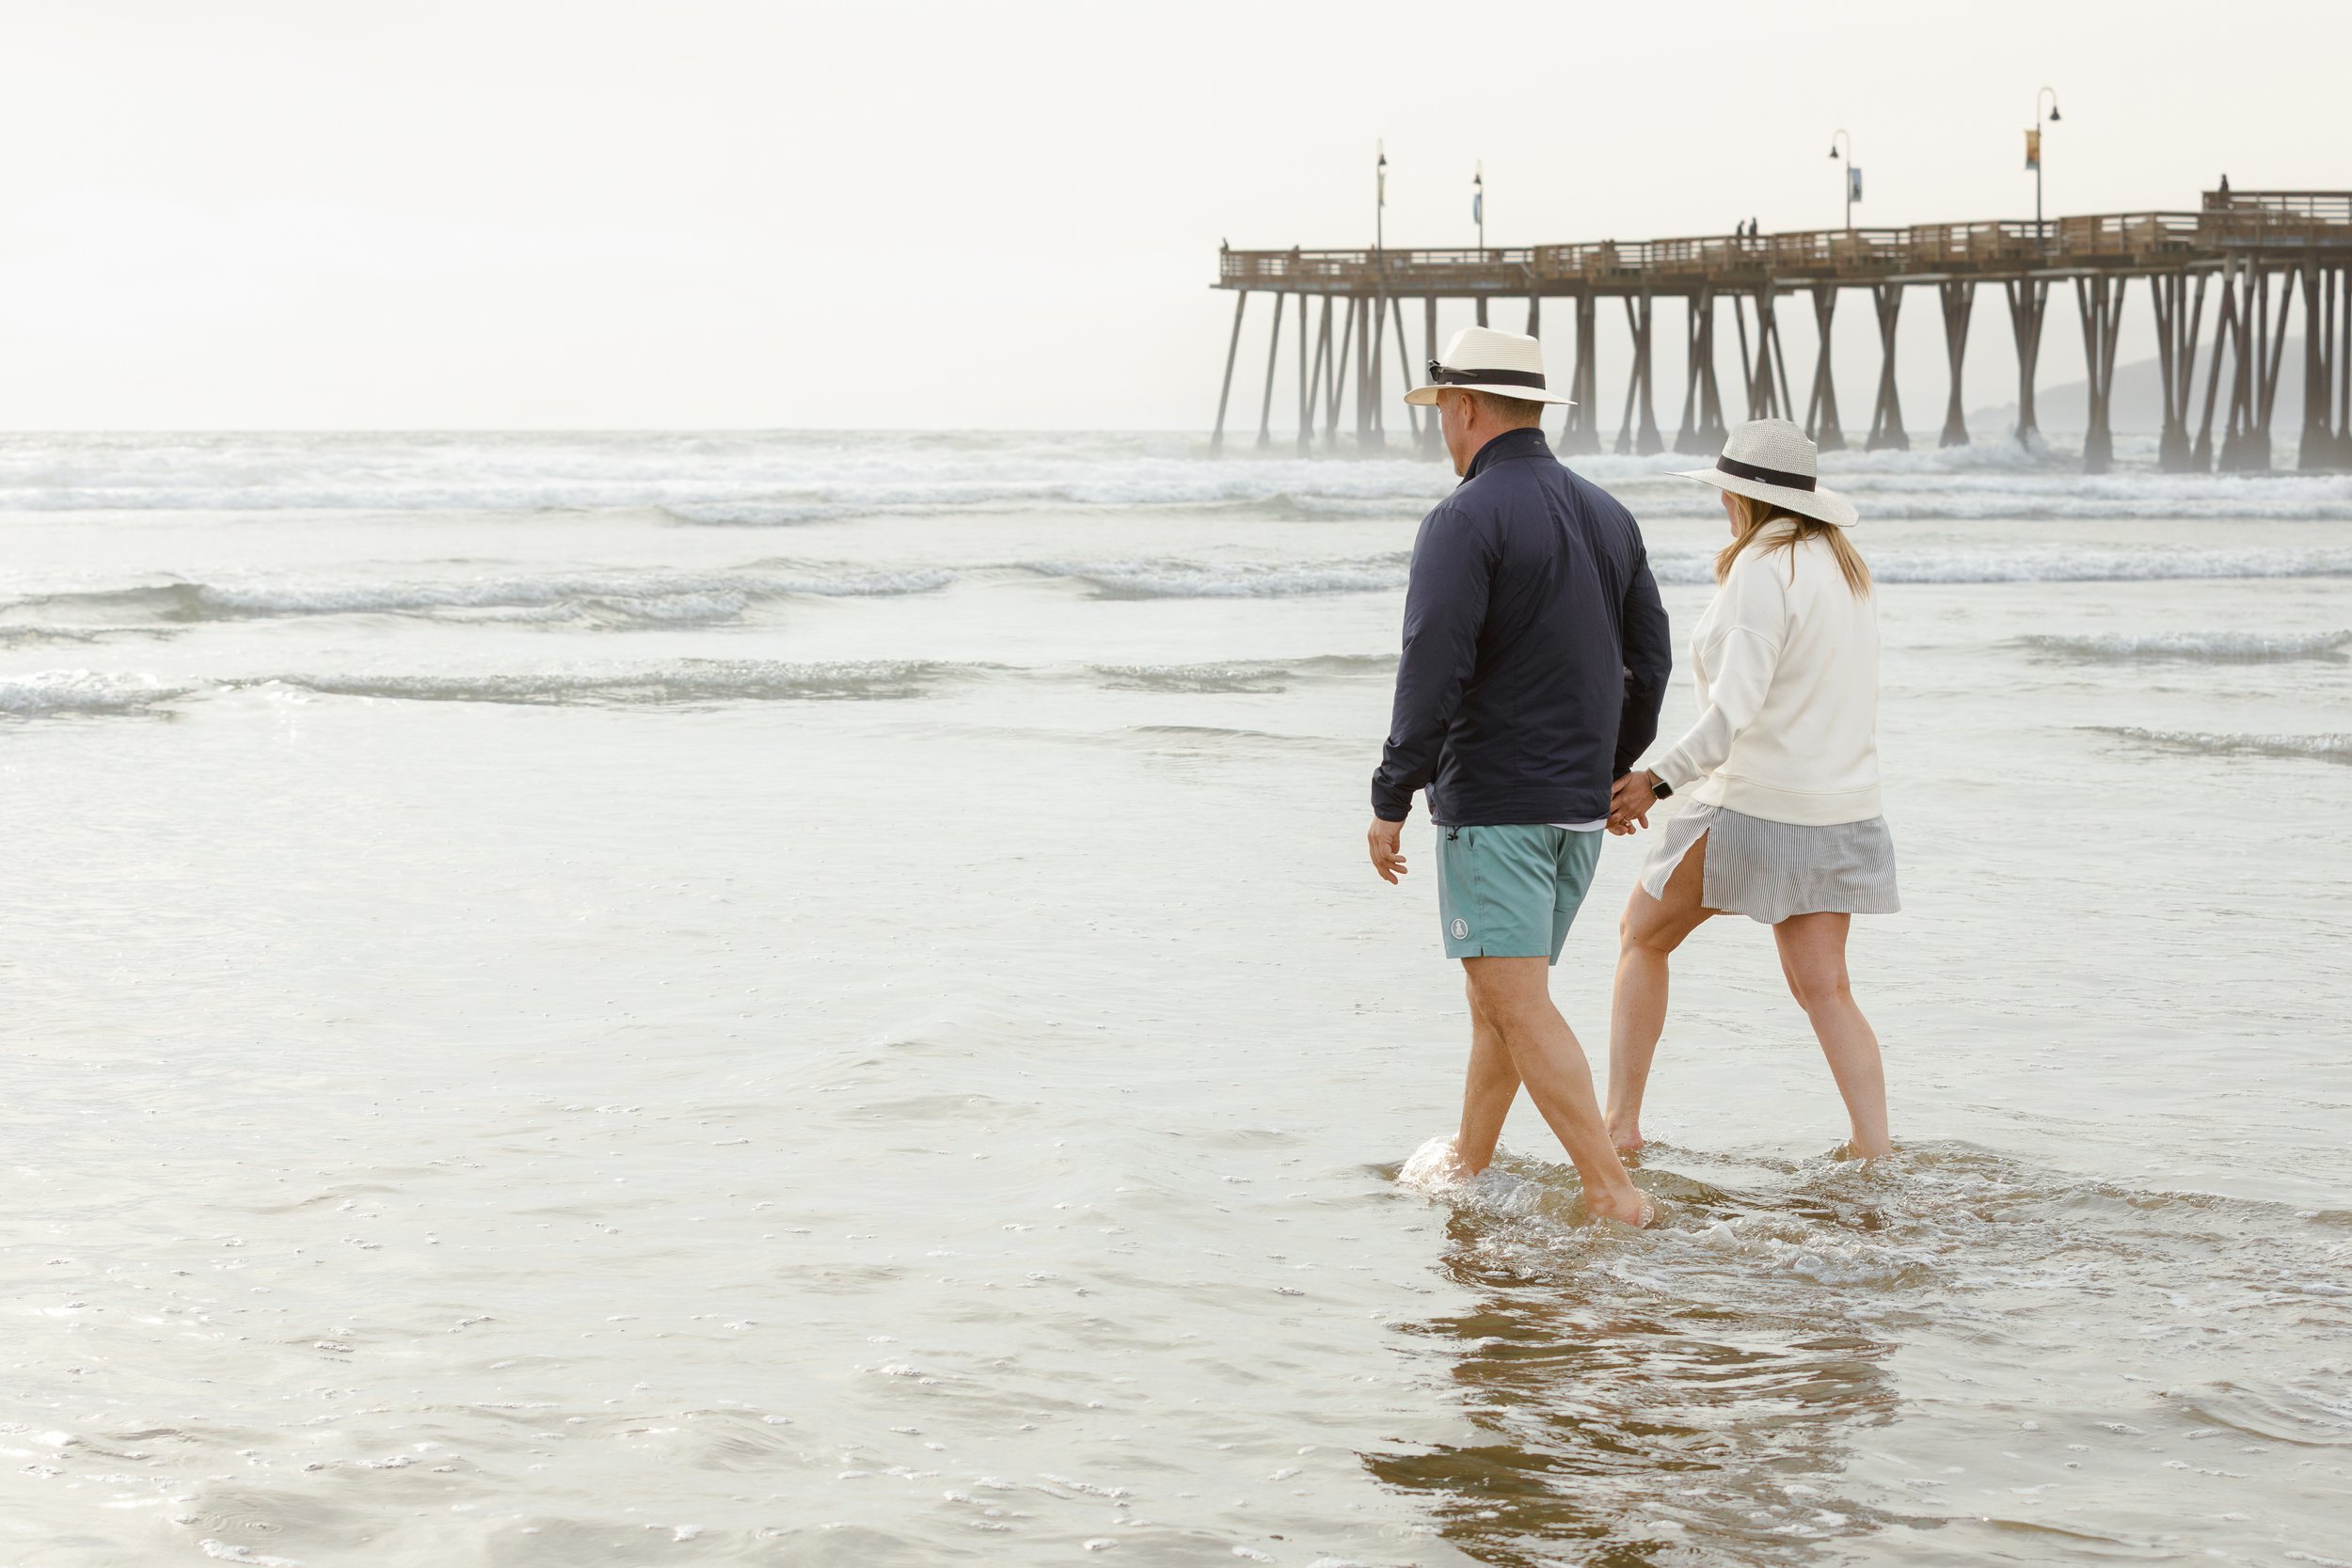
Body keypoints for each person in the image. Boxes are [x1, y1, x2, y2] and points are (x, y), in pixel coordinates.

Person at [1367, 325, 1672, 1226]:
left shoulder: (1464, 518)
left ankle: (1612, 1192)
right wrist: (1615, 771)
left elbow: (1433, 663)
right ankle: (1470, 1159)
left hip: (1495, 806)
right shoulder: (1610, 515)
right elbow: (1648, 662)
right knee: (1499, 997)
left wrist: (1391, 794)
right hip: (1575, 813)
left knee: (1517, 1001)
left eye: (1443, 415)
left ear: (1462, 408)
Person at [1604, 419, 1899, 1158]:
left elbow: (1731, 712)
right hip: (1843, 808)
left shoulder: (1761, 575)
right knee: (1826, 988)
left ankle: (1621, 1127)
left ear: (1742, 499)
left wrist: (1654, 781)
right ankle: (1875, 1149)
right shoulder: (1841, 566)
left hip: (1755, 806)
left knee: (1641, 936)